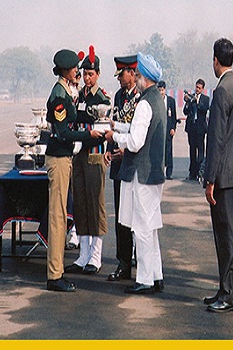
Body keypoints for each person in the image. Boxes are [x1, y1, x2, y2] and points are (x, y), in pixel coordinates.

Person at [45, 49, 106, 292]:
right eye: (75, 69)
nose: (78, 73)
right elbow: (63, 132)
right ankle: (54, 275)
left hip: (64, 157)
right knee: (58, 218)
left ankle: (57, 270)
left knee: (61, 216)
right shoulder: (60, 95)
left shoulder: (66, 92)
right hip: (59, 157)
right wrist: (87, 135)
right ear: (65, 70)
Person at [106, 52, 167, 294]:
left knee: (141, 228)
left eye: (138, 75)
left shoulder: (143, 103)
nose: (137, 78)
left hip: (140, 174)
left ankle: (144, 279)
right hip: (153, 173)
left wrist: (115, 136)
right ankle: (156, 274)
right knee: (151, 228)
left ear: (143, 78)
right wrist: (122, 129)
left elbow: (135, 142)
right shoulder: (157, 100)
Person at [201, 38, 233, 313]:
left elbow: (216, 139)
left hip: (224, 176)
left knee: (227, 236)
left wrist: (210, 179)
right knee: (228, 234)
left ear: (216, 60)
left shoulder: (221, 91)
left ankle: (230, 295)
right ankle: (224, 288)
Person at [66, 46, 111, 275]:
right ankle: (83, 255)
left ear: (98, 74)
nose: (87, 78)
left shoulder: (102, 98)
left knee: (96, 204)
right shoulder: (78, 96)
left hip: (95, 154)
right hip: (79, 154)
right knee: (81, 204)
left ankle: (96, 255)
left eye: (91, 74)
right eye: (84, 74)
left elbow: (106, 128)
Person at [107, 54, 140, 283]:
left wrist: (126, 149)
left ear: (131, 73)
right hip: (119, 163)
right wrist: (109, 148)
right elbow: (114, 121)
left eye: (122, 74)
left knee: (137, 216)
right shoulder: (119, 96)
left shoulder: (141, 98)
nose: (119, 79)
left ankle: (141, 261)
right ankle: (123, 263)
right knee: (121, 216)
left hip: (134, 163)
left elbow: (139, 133)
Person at [183, 79, 210, 182]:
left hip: (200, 129)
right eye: (196, 87)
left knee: (201, 151)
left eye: (199, 88)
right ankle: (192, 173)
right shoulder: (191, 97)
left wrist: (197, 101)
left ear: (203, 89)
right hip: (191, 128)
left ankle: (200, 172)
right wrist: (187, 102)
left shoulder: (205, 99)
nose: (197, 89)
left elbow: (204, 109)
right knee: (192, 150)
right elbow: (185, 112)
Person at [161, 81, 178, 179]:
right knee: (160, 151)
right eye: (159, 90)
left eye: (162, 90)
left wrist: (173, 128)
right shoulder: (156, 100)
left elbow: (174, 116)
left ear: (165, 90)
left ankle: (169, 173)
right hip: (159, 131)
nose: (161, 92)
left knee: (169, 151)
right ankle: (160, 171)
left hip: (168, 130)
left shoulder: (171, 101)